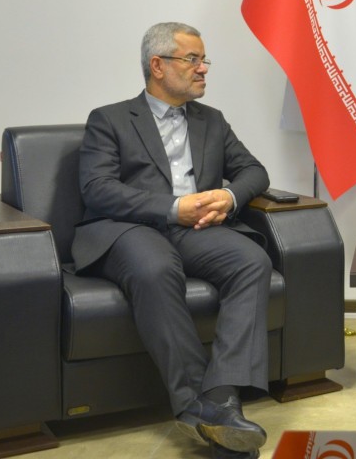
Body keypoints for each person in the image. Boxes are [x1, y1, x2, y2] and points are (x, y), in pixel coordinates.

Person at [77, 22, 272, 459]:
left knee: (252, 261)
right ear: (158, 66)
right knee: (156, 267)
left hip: (195, 230)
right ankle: (195, 402)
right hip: (130, 228)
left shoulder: (211, 121)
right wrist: (171, 207)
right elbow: (97, 189)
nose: (203, 68)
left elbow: (253, 171)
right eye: (192, 59)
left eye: (204, 60)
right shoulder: (109, 119)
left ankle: (220, 399)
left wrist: (228, 197)